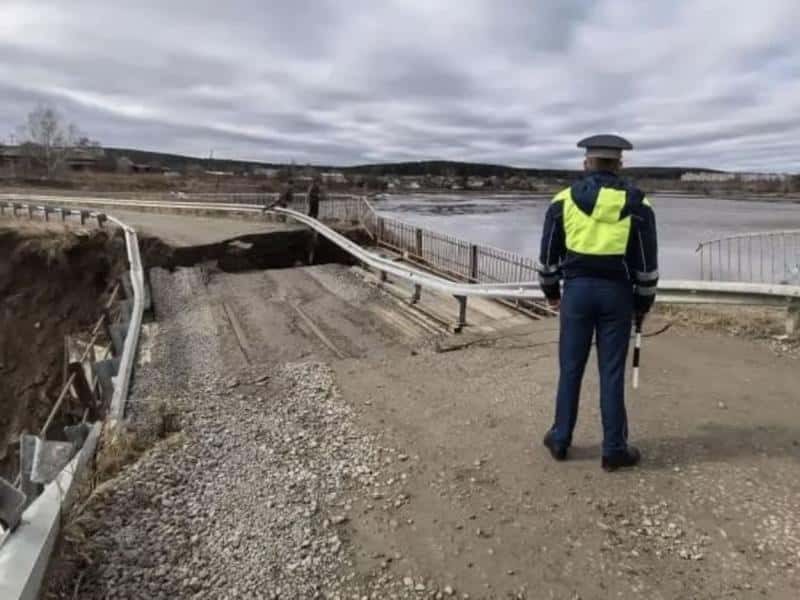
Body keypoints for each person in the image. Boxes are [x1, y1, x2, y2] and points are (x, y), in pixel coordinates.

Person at [536, 134, 658, 472]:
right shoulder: (639, 205)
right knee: (612, 372)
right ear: (620, 164)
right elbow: (646, 265)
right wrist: (643, 303)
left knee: (570, 369)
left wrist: (552, 293)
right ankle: (614, 449)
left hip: (576, 293)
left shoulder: (561, 201)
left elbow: (548, 258)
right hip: (617, 295)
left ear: (585, 163)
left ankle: (560, 439)